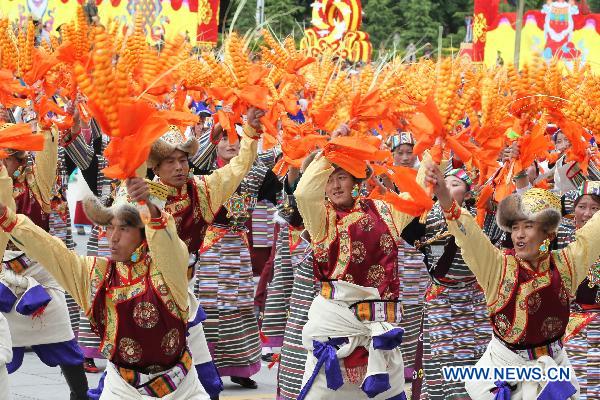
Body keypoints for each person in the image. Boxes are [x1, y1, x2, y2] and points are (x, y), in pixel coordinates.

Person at [0, 165, 210, 398]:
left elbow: (170, 247)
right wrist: (9, 219)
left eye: (124, 229)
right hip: (122, 388)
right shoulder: (95, 274)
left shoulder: (167, 271)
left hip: (181, 388)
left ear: (143, 233)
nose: (114, 238)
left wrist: (150, 209)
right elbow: (53, 251)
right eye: (110, 228)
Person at [425, 161, 600, 399]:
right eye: (515, 227)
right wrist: (445, 196)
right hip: (504, 368)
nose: (519, 234)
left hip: (554, 368)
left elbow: (594, 233)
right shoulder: (498, 267)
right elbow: (470, 237)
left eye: (528, 226)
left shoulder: (566, 264)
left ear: (548, 234)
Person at [293, 127, 425, 399]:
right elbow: (304, 194)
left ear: (355, 180)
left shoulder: (384, 210)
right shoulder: (321, 219)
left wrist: (436, 154)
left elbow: (417, 198)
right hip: (336, 322)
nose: (336, 186)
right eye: (328, 181)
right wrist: (329, 152)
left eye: (341, 177)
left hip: (379, 323)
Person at [147, 107, 265, 398]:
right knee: (144, 379)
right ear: (156, 168)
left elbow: (238, 168)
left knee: (209, 383)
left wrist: (249, 132)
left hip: (184, 293)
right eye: (170, 161)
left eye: (183, 160)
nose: (179, 167)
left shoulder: (203, 189)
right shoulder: (142, 195)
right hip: (147, 295)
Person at [0, 123, 89, 399]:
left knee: (65, 345)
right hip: (3, 276)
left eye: (6, 157)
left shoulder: (36, 186)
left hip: (40, 273)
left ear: (18, 158)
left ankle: (80, 395)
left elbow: (48, 155)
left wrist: (49, 128)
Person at [193, 121, 282, 390]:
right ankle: (206, 366)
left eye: (237, 138)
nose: (230, 143)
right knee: (208, 306)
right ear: (214, 142)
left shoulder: (255, 172)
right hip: (208, 249)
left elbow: (284, 195)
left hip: (238, 249)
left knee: (241, 307)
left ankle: (241, 365)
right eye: (224, 138)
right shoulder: (205, 171)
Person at [401, 166, 496, 400]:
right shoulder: (425, 216)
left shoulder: (481, 217)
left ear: (468, 193)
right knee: (444, 360)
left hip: (476, 299)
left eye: (455, 185)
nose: (447, 188)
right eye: (445, 183)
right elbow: (405, 229)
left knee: (480, 358)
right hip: (441, 298)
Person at [557, 181, 600, 399]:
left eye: (595, 208)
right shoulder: (559, 237)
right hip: (571, 321)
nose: (588, 213)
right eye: (582, 206)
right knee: (573, 384)